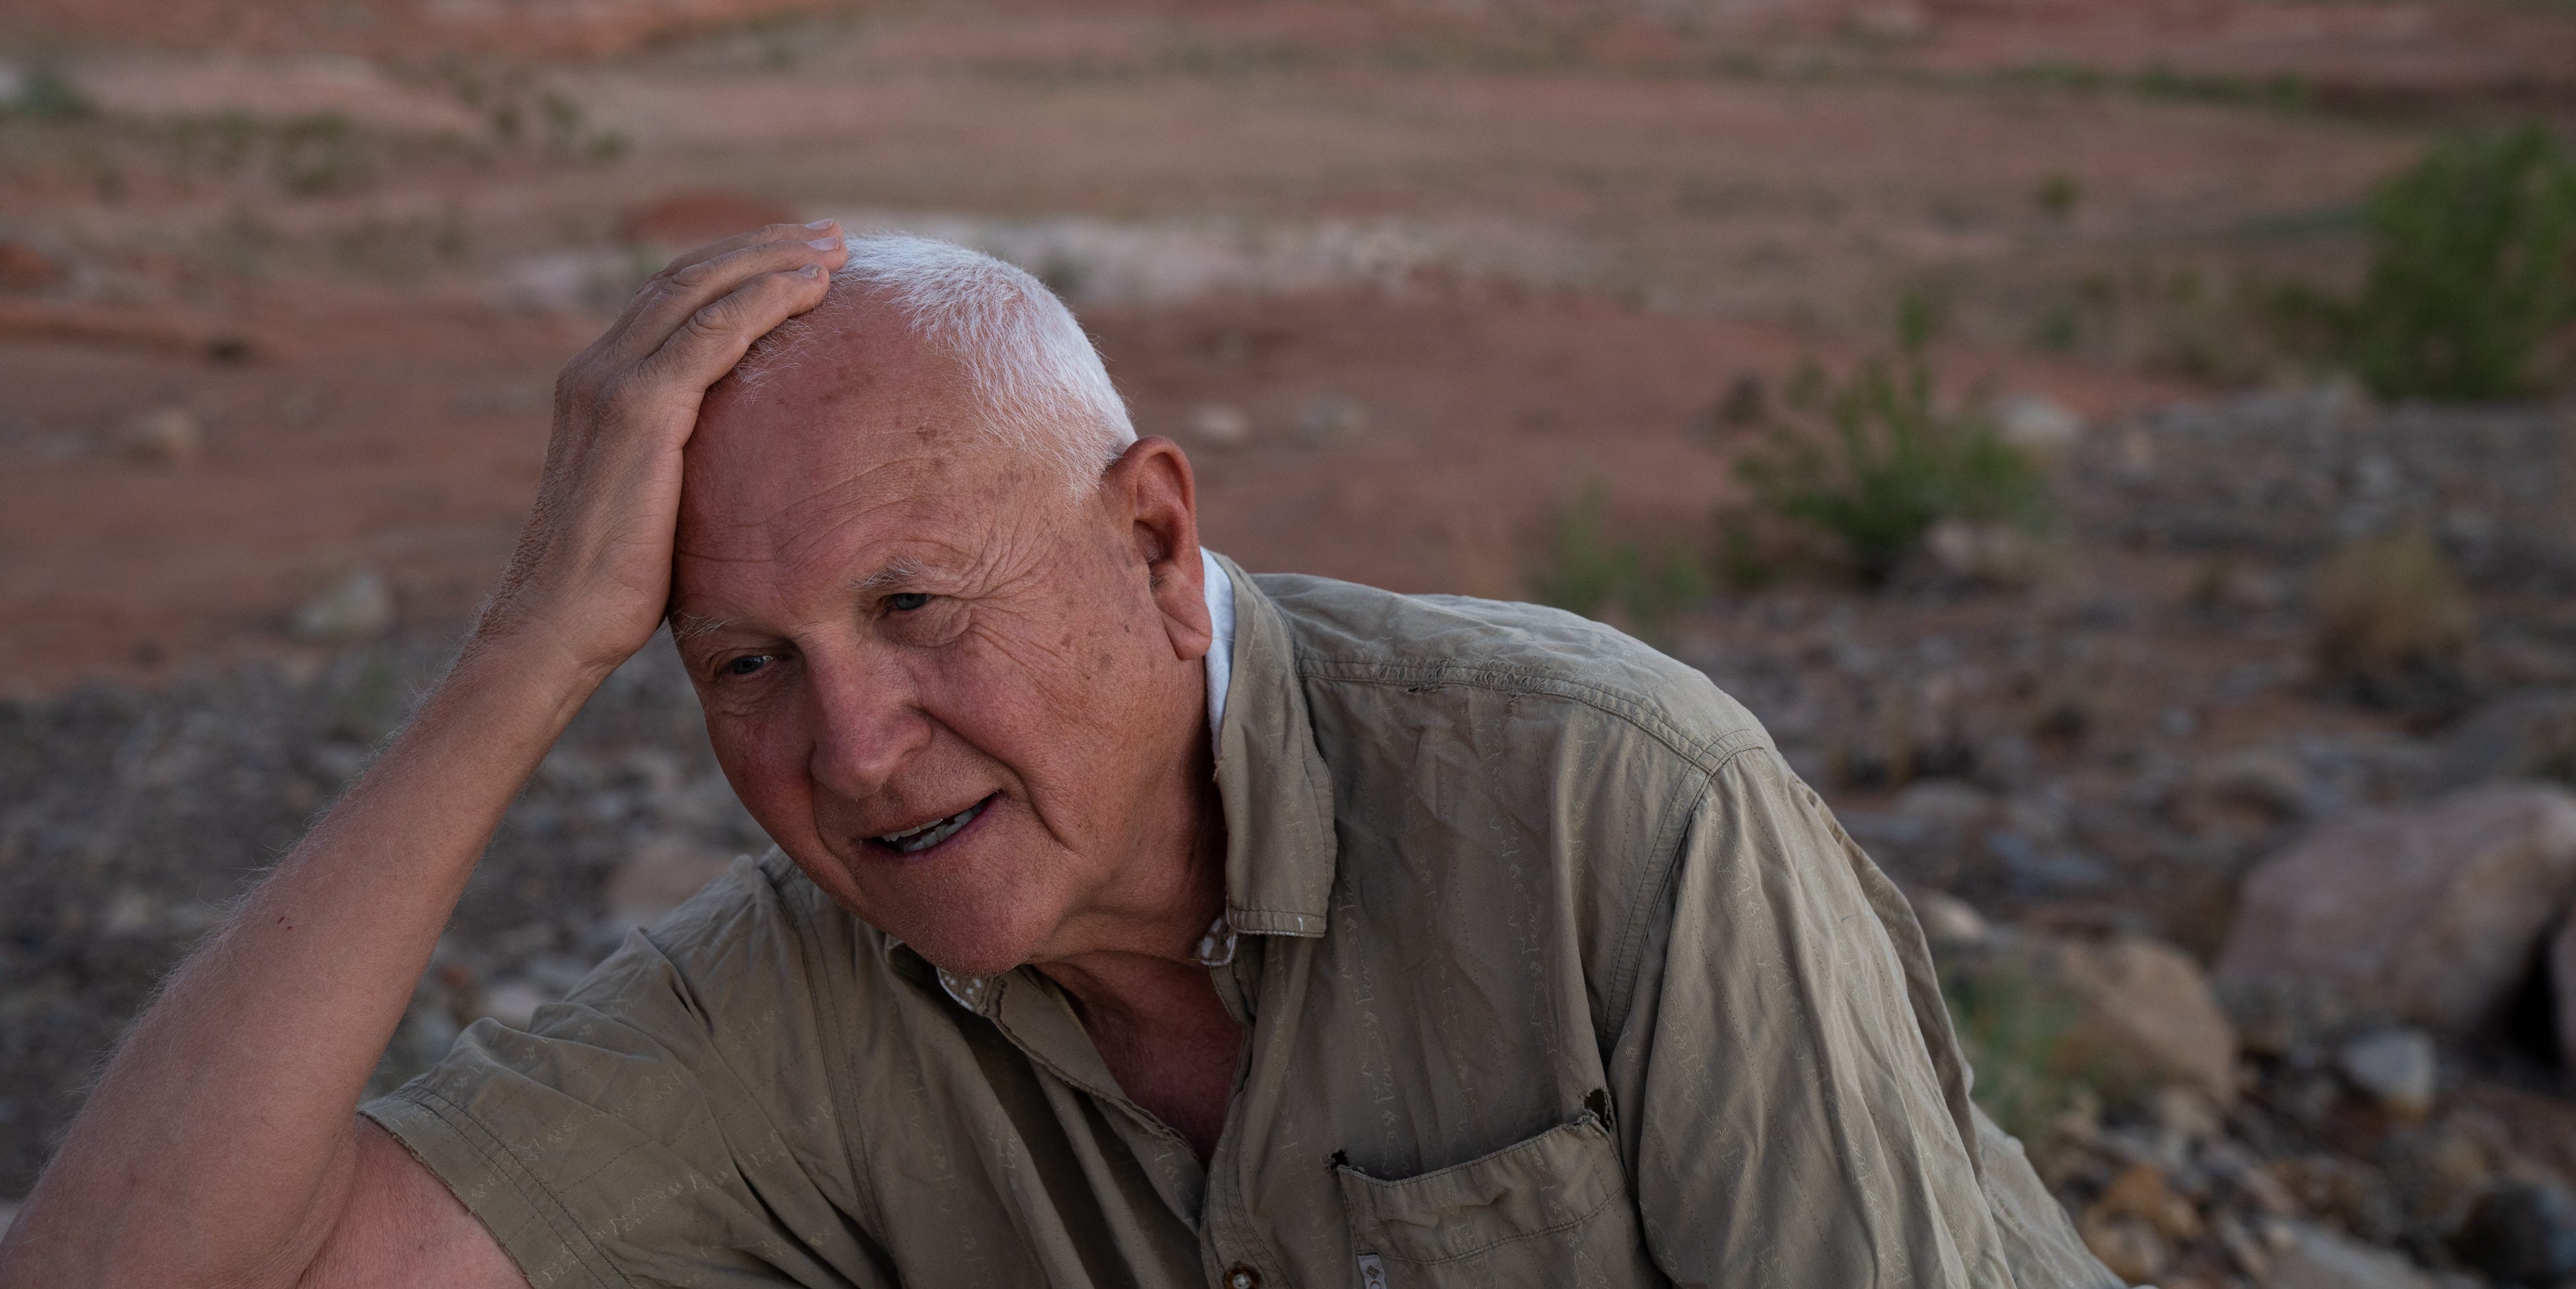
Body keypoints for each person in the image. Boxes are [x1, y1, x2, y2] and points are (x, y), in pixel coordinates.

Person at [0, 225, 2115, 1289]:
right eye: (741, 662)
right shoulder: (794, 1001)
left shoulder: (1603, 807)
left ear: (1157, 544)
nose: (847, 745)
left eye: (919, 612)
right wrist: (523, 654)